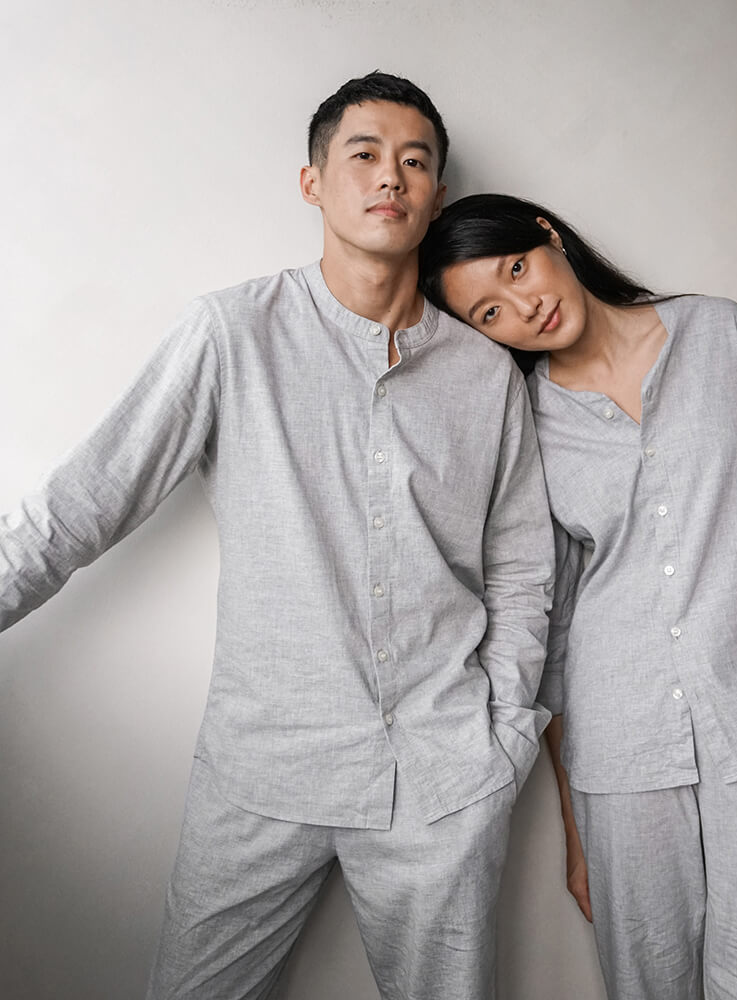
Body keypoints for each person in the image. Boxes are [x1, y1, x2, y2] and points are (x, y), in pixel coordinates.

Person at [0, 79, 554, 1000]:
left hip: (440, 777)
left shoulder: (487, 373)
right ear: (313, 183)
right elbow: (82, 505)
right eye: (365, 155)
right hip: (263, 771)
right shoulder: (232, 334)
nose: (391, 177)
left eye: (415, 161)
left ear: (437, 198)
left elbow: (523, 569)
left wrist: (499, 735)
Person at [419, 193, 737, 1000]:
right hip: (621, 752)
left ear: (549, 237)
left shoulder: (719, 334)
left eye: (517, 269)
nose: (524, 307)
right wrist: (576, 825)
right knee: (651, 983)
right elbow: (554, 630)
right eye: (490, 313)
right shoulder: (527, 423)